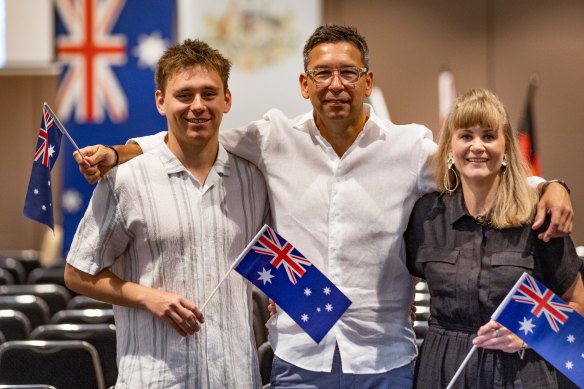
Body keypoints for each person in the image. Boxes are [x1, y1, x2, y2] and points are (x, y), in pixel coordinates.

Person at [73, 26, 573, 388]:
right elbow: (189, 137)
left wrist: (550, 184)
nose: (336, 84)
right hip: (298, 360)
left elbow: (475, 163)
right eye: (322, 73)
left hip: (386, 361)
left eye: (348, 72)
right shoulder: (271, 138)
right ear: (304, 84)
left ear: (367, 79)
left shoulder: (408, 147)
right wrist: (119, 152)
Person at [64, 39, 269, 388]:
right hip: (156, 379)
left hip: (234, 377)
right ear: (161, 101)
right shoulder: (125, 180)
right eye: (184, 95)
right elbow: (77, 274)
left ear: (227, 100)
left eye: (209, 93)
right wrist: (148, 297)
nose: (198, 106)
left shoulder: (253, 178)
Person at [404, 88, 584, 388]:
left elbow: (577, 303)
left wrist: (530, 333)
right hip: (444, 371)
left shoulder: (537, 216)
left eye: (488, 136)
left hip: (521, 373)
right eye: (466, 136)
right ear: (449, 146)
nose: (477, 146)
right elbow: (400, 289)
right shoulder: (427, 215)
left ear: (506, 149)